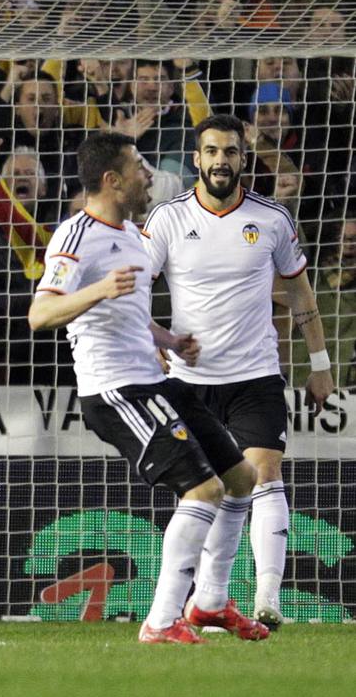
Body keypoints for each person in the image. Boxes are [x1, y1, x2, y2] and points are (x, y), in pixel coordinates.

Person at [27, 132, 262, 644]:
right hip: (115, 391)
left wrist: (170, 339)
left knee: (242, 478)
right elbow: (40, 314)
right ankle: (159, 621)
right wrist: (97, 289)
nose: (150, 172)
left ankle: (212, 604)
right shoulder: (75, 235)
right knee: (204, 490)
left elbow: (128, 314)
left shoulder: (133, 233)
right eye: (138, 165)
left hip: (155, 379)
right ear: (111, 180)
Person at [141, 114, 333, 631]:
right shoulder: (167, 219)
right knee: (205, 492)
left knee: (264, 475)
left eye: (230, 151)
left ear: (243, 158)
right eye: (211, 152)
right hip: (188, 382)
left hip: (255, 376)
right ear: (196, 159)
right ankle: (203, 600)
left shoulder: (272, 219)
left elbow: (299, 293)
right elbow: (133, 288)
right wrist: (149, 344)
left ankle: (267, 597)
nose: (220, 161)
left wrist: (320, 365)